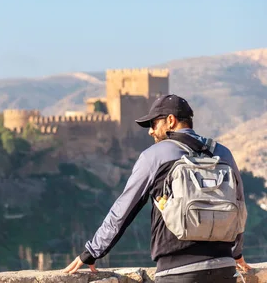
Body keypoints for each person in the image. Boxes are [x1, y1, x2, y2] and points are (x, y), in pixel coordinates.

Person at [62, 94, 252, 282]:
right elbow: (239, 206)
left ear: (170, 121)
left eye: (153, 124)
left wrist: (93, 251)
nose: (150, 131)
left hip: (177, 271)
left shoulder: (154, 156)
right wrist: (236, 253)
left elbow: (124, 209)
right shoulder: (223, 153)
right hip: (224, 269)